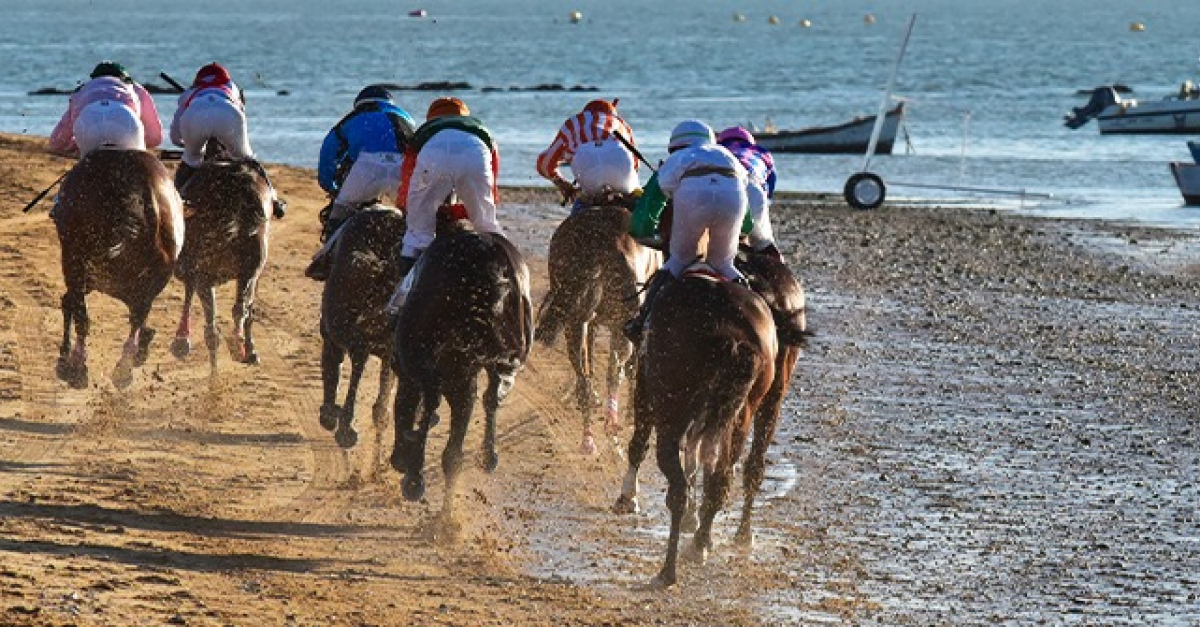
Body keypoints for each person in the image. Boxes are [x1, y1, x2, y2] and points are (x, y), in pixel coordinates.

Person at [622, 119, 753, 343]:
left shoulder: (676, 160)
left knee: (679, 259)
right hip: (734, 198)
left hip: (694, 198)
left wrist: (642, 232)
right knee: (724, 264)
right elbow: (747, 224)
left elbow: (649, 206)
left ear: (675, 147)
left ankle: (641, 321)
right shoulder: (728, 157)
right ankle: (754, 312)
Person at [384, 97, 501, 314]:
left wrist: (421, 213)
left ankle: (402, 303)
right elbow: (493, 196)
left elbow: (406, 191)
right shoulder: (482, 131)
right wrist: (460, 212)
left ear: (431, 118)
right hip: (477, 151)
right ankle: (507, 290)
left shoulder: (424, 133)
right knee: (488, 227)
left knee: (417, 235)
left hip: (433, 154)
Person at [304, 85, 417, 280]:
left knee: (341, 209)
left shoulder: (350, 120)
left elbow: (328, 153)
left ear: (358, 104)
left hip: (368, 166)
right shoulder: (407, 119)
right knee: (415, 218)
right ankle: (418, 260)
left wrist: (330, 186)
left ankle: (327, 261)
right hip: (402, 167)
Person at [169, 62, 286, 218]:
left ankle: (175, 205)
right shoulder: (232, 89)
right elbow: (241, 115)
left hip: (194, 114)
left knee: (190, 160)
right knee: (247, 159)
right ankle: (273, 200)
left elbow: (176, 138)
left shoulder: (188, 95)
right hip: (230, 113)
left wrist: (191, 148)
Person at [535, 99, 639, 209]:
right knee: (633, 197)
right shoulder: (622, 124)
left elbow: (544, 163)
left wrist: (562, 184)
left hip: (585, 160)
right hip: (620, 158)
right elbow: (635, 165)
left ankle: (577, 216)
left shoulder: (573, 123)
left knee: (584, 203)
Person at [48, 61, 163, 158]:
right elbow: (155, 138)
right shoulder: (136, 88)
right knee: (138, 162)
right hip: (125, 120)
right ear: (124, 77)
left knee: (87, 164)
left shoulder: (81, 90)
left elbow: (58, 140)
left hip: (88, 121)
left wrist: (76, 146)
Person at [717, 126, 782, 260]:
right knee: (764, 244)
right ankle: (779, 268)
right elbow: (770, 187)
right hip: (751, 186)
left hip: (718, 186)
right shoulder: (762, 152)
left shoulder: (717, 151)